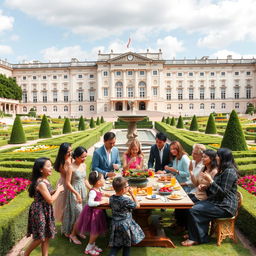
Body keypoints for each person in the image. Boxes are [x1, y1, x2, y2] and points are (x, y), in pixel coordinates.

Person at [182, 148, 238, 246]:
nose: (216, 157)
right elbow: (216, 190)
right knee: (191, 206)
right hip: (217, 202)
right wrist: (206, 186)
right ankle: (197, 235)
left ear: (223, 158)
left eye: (218, 155)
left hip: (225, 206)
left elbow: (223, 192)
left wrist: (210, 181)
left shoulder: (229, 172)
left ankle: (196, 238)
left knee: (194, 209)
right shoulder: (223, 170)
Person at [23, 157, 64, 256]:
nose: (51, 168)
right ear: (41, 169)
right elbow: (50, 200)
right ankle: (25, 254)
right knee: (39, 238)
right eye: (48, 166)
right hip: (39, 211)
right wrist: (58, 191)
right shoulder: (41, 183)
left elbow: (47, 195)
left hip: (45, 210)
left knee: (46, 237)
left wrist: (55, 190)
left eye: (51, 165)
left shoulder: (45, 180)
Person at [175, 149, 218, 232]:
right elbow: (196, 184)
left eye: (205, 157)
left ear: (212, 159)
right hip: (197, 193)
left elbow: (212, 187)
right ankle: (180, 224)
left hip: (204, 196)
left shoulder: (214, 171)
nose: (202, 159)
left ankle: (186, 227)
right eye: (203, 157)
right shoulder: (204, 169)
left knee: (186, 205)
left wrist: (205, 185)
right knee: (180, 201)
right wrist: (191, 172)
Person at [108, 177, 145, 256]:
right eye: (127, 186)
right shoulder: (126, 200)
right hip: (125, 225)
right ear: (123, 189)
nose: (129, 187)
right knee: (127, 245)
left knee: (116, 245)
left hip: (115, 224)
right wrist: (132, 194)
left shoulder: (111, 198)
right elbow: (137, 205)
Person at [62, 146, 91, 244]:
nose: (84, 159)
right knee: (79, 214)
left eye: (85, 156)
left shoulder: (84, 165)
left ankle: (77, 232)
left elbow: (85, 179)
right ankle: (73, 235)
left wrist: (91, 188)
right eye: (82, 157)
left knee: (83, 214)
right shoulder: (71, 167)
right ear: (76, 157)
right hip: (74, 192)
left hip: (83, 191)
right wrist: (76, 193)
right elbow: (67, 183)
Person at [77, 171, 109, 256]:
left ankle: (93, 245)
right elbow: (90, 203)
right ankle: (88, 248)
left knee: (97, 230)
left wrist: (107, 195)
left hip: (98, 212)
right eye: (103, 179)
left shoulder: (98, 189)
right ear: (98, 182)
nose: (104, 180)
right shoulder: (93, 191)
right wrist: (101, 202)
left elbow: (101, 194)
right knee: (95, 232)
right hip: (93, 214)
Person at [53, 142, 72, 223]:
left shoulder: (69, 159)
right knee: (64, 205)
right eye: (68, 152)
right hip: (65, 183)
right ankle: (65, 226)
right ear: (63, 152)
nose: (70, 153)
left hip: (66, 182)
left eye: (71, 150)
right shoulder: (64, 162)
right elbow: (69, 175)